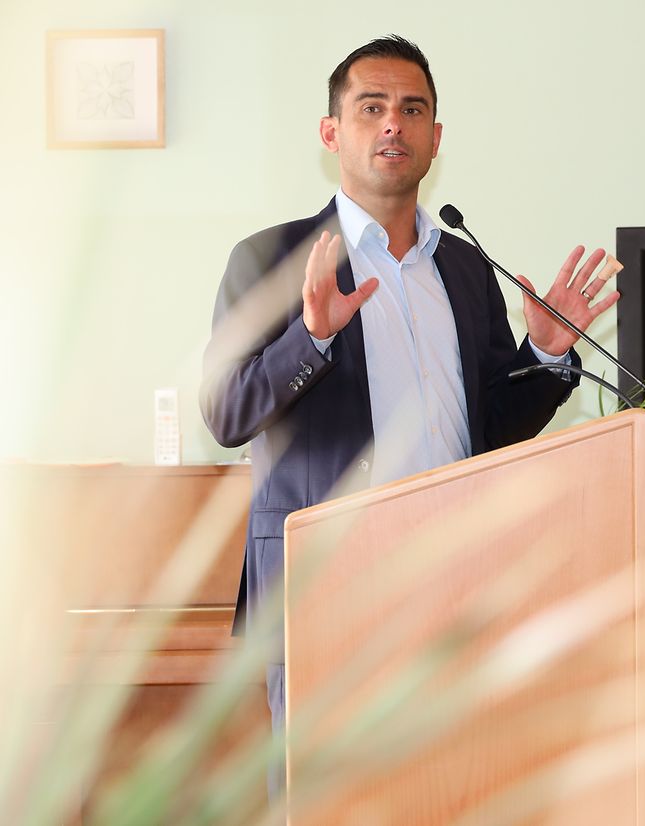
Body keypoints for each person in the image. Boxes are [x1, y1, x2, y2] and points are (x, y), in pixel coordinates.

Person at [199, 35, 618, 794]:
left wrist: (545, 353)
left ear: (435, 136)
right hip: (328, 592)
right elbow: (226, 413)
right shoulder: (271, 259)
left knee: (459, 789)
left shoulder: (463, 265)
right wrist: (310, 337)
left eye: (412, 109)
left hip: (458, 580)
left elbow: (491, 425)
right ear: (332, 133)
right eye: (372, 107)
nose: (394, 122)